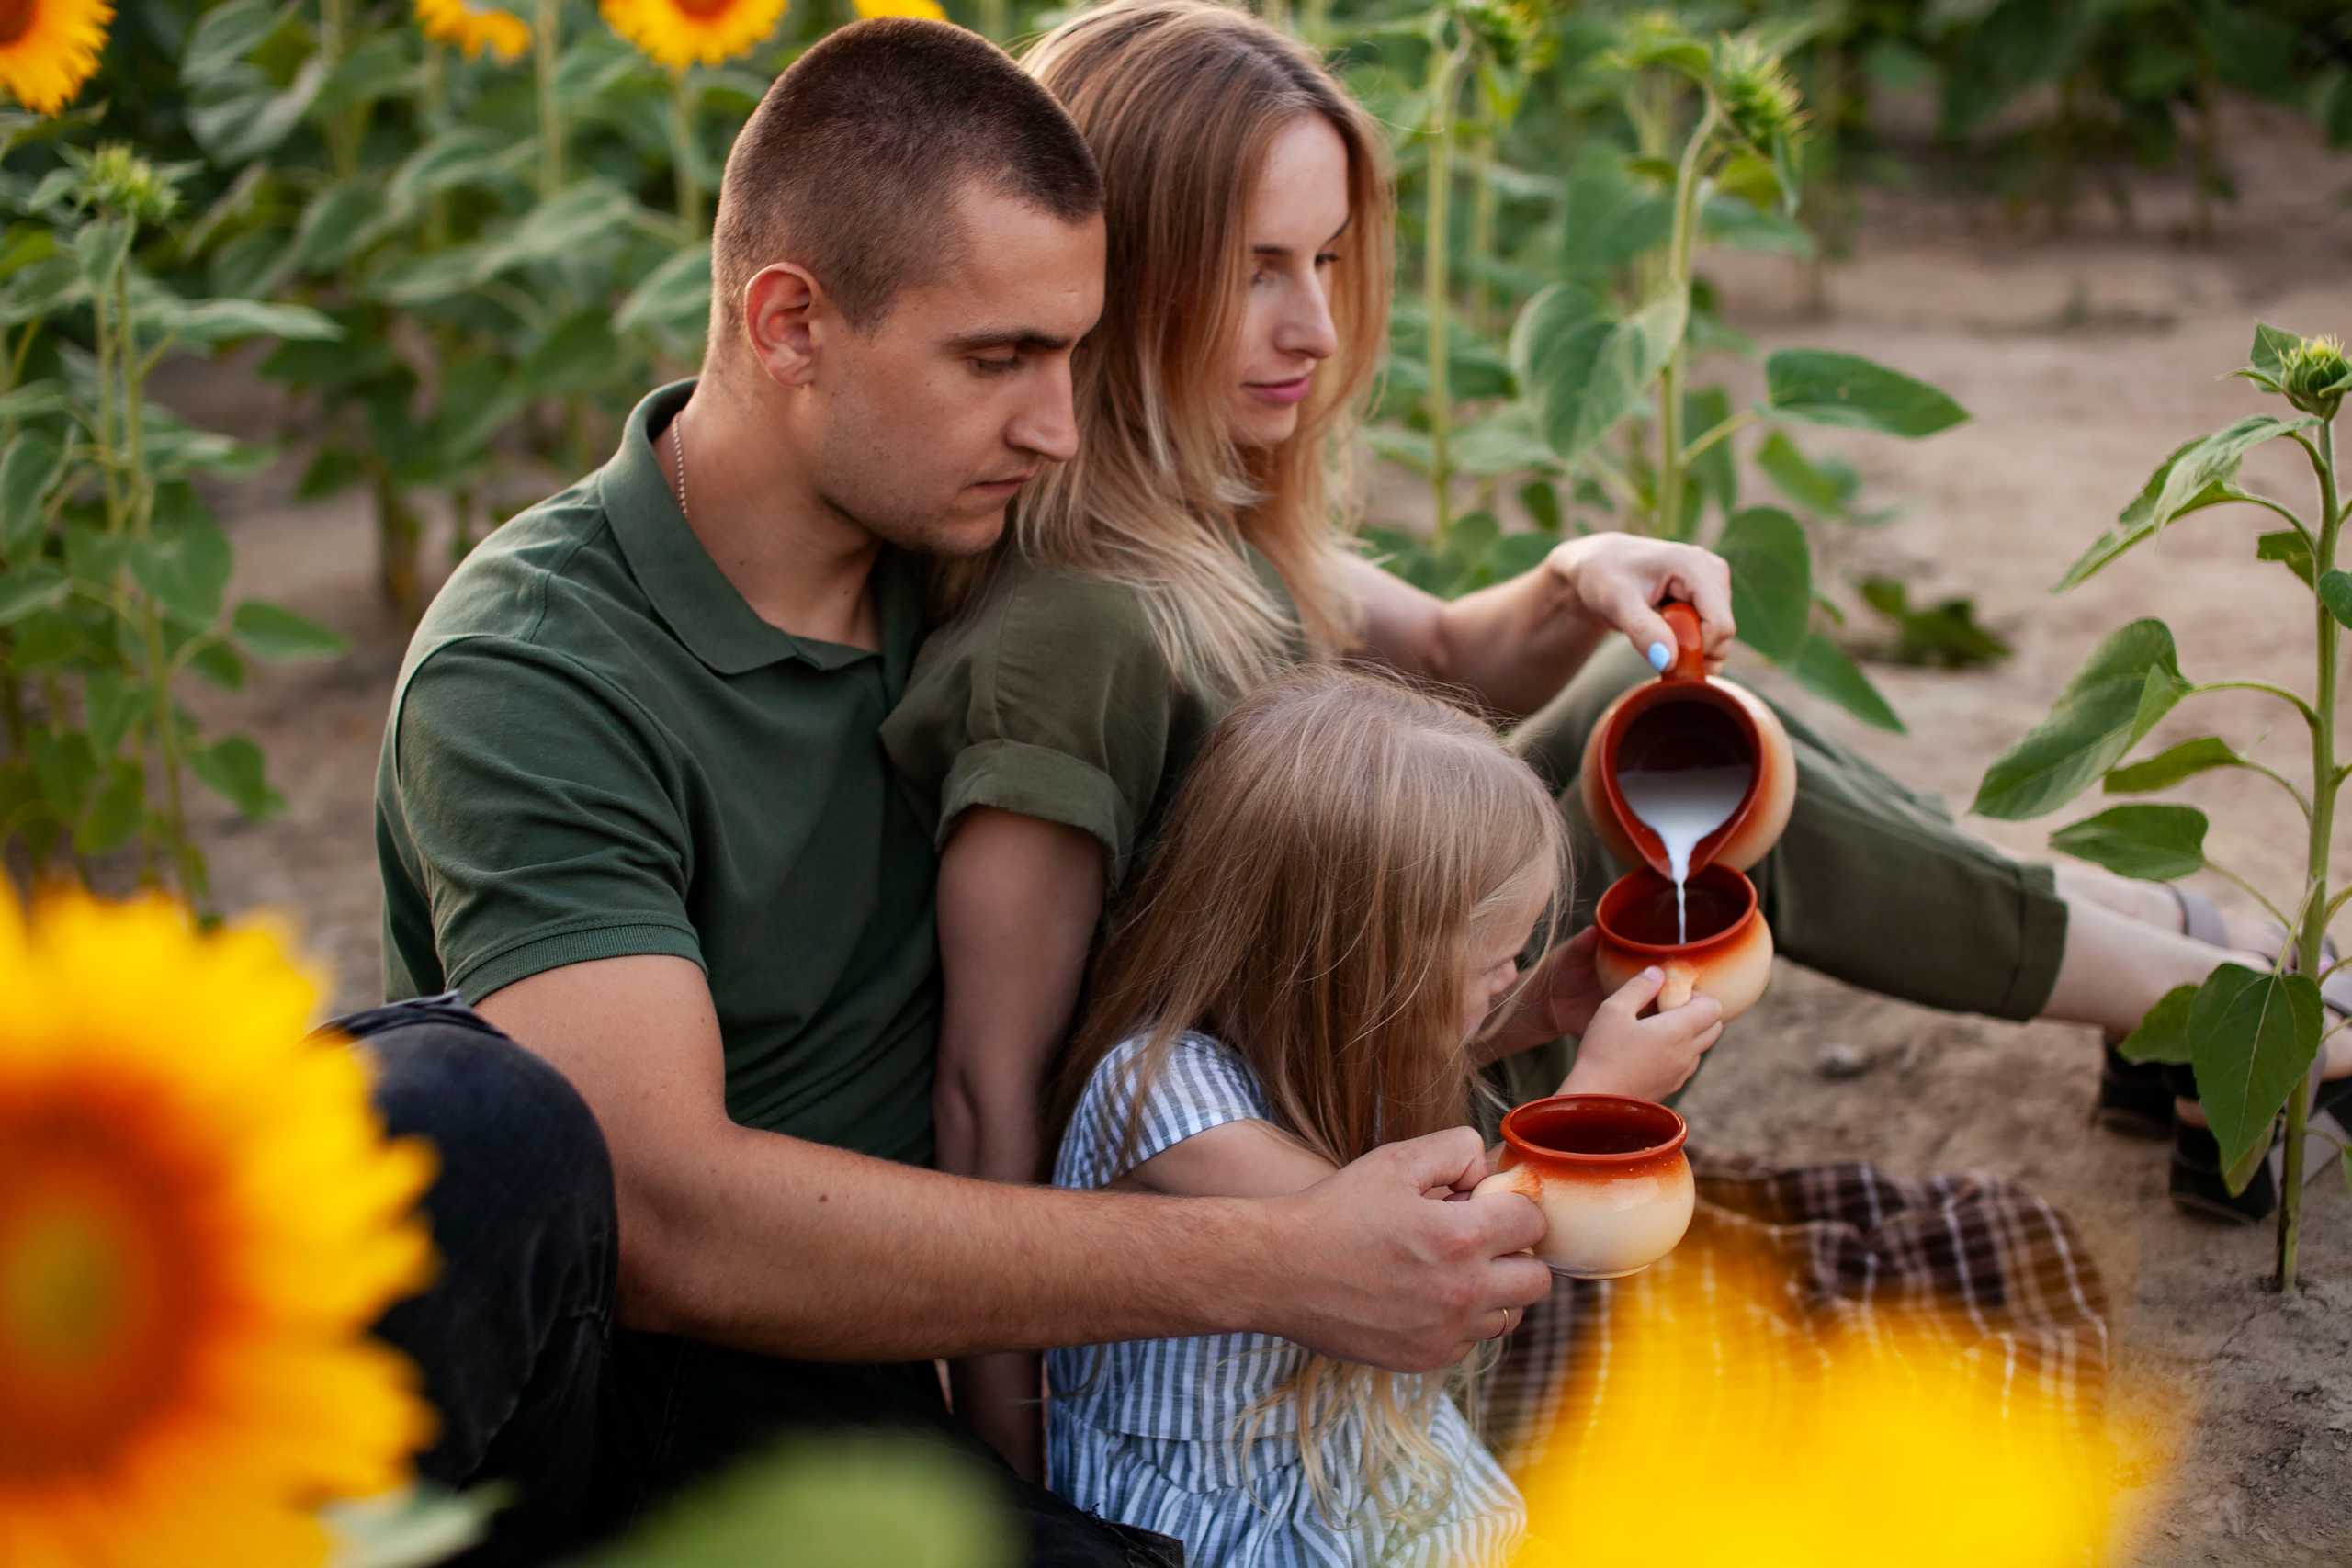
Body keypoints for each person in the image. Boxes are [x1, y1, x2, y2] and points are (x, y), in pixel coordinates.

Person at [876, 0, 2304, 1473]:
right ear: (1116, 276)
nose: (1311, 323)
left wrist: (1578, 576)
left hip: (1389, 1019)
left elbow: (1444, 651)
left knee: (1688, 725)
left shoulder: (1204, 507)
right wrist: (1019, 1473)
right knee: (1665, 749)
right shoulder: (1079, 630)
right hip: (1297, 1162)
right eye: (1252, 274)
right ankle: (2212, 997)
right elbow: (1000, 1087)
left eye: (1325, 261)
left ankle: (2166, 955)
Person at [359, 21, 1552, 1566]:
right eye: (996, 359)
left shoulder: (1001, 568)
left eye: (1073, 351)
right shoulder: (542, 662)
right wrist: (1273, 1261)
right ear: (789, 324)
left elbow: (1370, 636)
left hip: (862, 1405)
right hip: (600, 1397)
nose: (1057, 422)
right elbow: (664, 1220)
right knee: (474, 1115)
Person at [1046, 667, 1713, 1568]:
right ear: (1363, 963)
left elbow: (1353, 1072)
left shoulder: (1298, 1049)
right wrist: (1602, 1098)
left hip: (1333, 1465)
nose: (1508, 975)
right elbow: (1433, 1245)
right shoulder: (1160, 1097)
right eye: (1492, 959)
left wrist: (1526, 1015)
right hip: (1209, 1531)